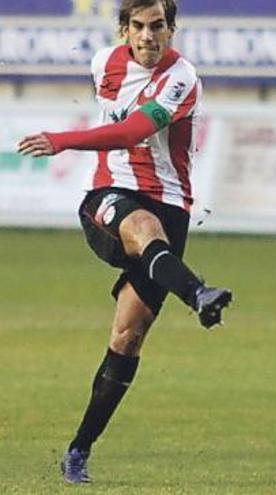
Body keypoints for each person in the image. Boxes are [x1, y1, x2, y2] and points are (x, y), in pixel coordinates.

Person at [17, 0, 232, 485]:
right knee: (141, 228)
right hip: (109, 200)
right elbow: (118, 129)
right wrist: (69, 144)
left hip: (170, 206)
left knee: (127, 338)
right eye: (138, 26)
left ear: (172, 30)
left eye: (158, 26)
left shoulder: (183, 78)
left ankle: (77, 450)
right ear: (124, 30)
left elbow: (136, 130)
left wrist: (64, 138)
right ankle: (197, 293)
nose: (148, 36)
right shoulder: (103, 64)